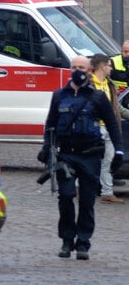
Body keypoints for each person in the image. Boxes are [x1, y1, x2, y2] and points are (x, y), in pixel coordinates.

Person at [39, 55, 124, 260]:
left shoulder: (97, 97)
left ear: (90, 70)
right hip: (66, 154)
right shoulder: (59, 95)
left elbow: (112, 123)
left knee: (87, 201)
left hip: (90, 155)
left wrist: (119, 150)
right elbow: (50, 123)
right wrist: (46, 148)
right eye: (74, 67)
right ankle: (67, 240)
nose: (78, 70)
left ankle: (83, 242)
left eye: (82, 67)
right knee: (66, 196)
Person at [89, 53, 123, 204]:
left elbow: (117, 107)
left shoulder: (110, 84)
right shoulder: (89, 84)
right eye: (109, 65)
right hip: (93, 128)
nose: (111, 68)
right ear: (102, 67)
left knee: (108, 160)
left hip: (109, 127)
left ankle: (107, 192)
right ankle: (81, 188)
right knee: (88, 160)